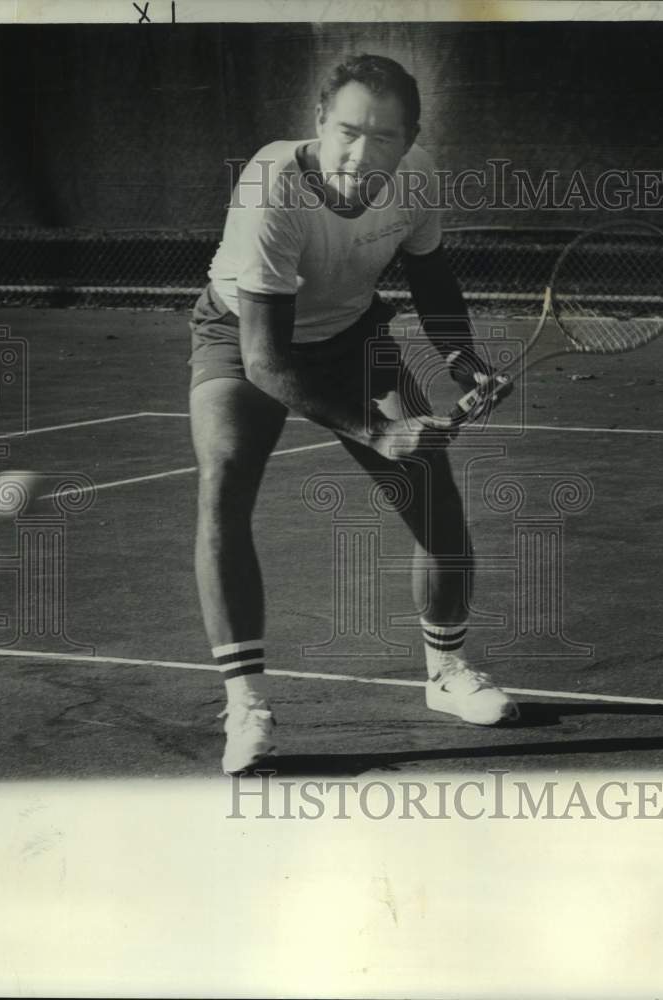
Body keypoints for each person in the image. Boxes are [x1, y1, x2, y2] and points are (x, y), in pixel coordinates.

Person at [189, 53, 518, 775]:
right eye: (346, 131)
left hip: (353, 337)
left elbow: (430, 279)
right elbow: (267, 362)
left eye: (382, 137)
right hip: (242, 333)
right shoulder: (273, 186)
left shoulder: (417, 178)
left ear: (409, 141)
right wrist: (376, 429)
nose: (359, 152)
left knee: (430, 487)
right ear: (317, 123)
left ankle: (446, 674)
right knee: (224, 479)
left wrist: (462, 361)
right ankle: (245, 705)